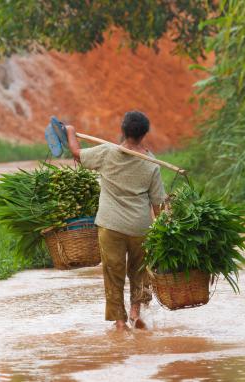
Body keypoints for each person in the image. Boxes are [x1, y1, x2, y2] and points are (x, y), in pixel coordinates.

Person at [65, 111, 166, 330]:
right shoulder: (151, 163)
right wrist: (161, 230)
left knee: (113, 273)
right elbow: (158, 204)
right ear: (144, 134)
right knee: (140, 272)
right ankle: (135, 312)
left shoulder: (107, 152)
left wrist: (71, 131)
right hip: (140, 227)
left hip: (111, 226)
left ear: (123, 130)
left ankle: (120, 322)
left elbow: (76, 153)